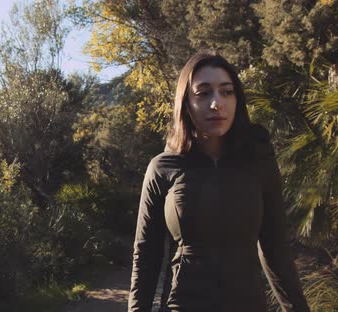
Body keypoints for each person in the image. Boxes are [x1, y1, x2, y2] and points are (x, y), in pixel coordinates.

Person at [128, 51, 310, 312]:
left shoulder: (259, 162)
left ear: (237, 99)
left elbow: (275, 249)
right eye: (203, 93)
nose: (217, 103)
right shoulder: (162, 168)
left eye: (227, 92)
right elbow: (146, 254)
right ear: (186, 102)